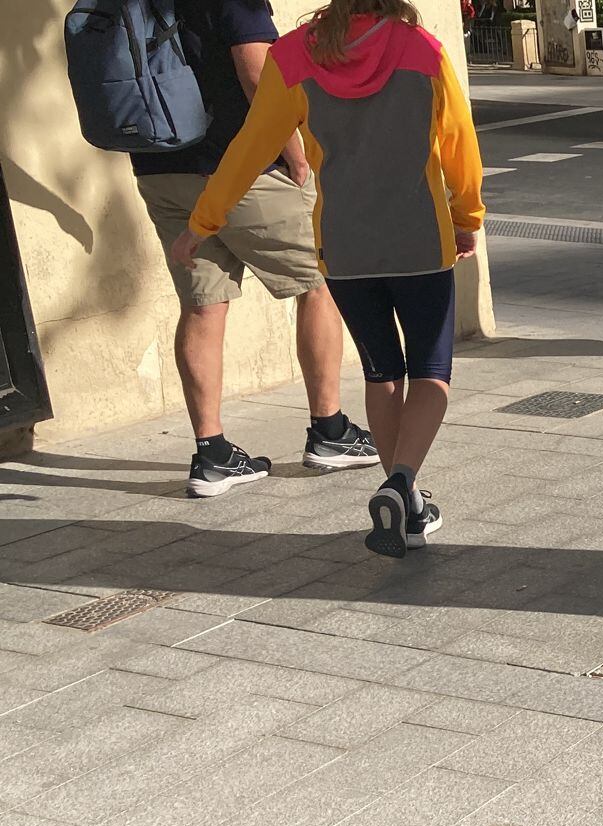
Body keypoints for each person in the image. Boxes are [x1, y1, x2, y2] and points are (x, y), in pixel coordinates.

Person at [171, 0, 484, 558]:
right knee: (431, 373)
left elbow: (251, 147)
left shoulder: (293, 54)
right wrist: (467, 220)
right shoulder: (424, 50)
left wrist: (204, 221)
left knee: (381, 372)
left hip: (343, 246)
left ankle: (405, 507)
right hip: (420, 241)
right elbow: (460, 149)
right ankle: (402, 482)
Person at [130, 0, 379, 498]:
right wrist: (296, 153)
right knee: (320, 281)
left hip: (160, 167)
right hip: (243, 170)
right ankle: (329, 431)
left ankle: (213, 454)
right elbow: (256, 71)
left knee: (202, 306)